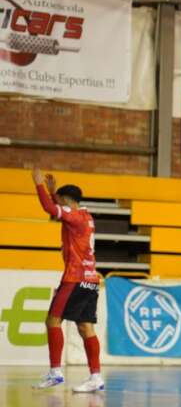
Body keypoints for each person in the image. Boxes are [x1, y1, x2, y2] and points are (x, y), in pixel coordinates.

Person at [31, 167, 104, 393]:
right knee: (85, 327)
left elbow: (49, 209)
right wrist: (55, 193)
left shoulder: (75, 216)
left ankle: (55, 372)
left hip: (74, 277)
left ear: (68, 201)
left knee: (52, 321)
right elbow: (60, 210)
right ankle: (95, 377)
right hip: (90, 279)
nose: (59, 205)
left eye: (61, 201)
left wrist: (39, 185)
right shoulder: (85, 216)